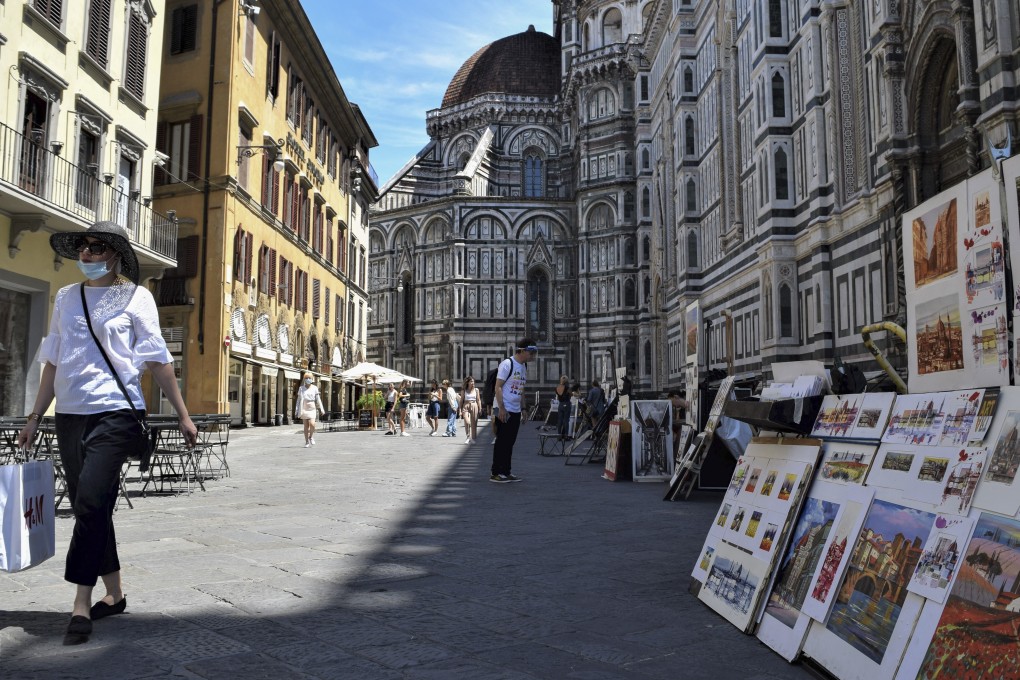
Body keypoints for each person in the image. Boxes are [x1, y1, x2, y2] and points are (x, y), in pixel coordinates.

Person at [17, 221, 198, 646]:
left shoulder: (138, 297)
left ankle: (82, 602)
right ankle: (114, 594)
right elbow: (53, 361)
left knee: (92, 500)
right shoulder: (66, 296)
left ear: (116, 254)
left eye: (98, 248)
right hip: (71, 414)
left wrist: (183, 414)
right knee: (90, 508)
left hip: (116, 412)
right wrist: (34, 416)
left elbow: (158, 360)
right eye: (83, 247)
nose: (88, 254)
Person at [490, 338, 537, 483]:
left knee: (510, 442)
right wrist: (502, 409)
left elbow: (521, 389)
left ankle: (506, 471)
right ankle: (496, 473)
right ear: (522, 350)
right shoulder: (507, 364)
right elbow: (497, 387)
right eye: (531, 352)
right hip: (503, 408)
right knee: (502, 441)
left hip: (515, 409)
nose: (533, 356)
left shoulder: (523, 367)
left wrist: (523, 408)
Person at [295, 372, 324, 447]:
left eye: (309, 378)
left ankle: (311, 436)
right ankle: (306, 442)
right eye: (306, 378)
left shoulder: (315, 388)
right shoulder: (301, 388)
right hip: (304, 408)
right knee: (306, 426)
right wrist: (297, 409)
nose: (308, 379)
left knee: (312, 424)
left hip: (312, 408)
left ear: (312, 379)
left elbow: (318, 399)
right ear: (304, 379)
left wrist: (321, 409)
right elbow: (298, 400)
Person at [461, 376, 480, 443]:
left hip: (474, 405)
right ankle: (468, 436)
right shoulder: (464, 390)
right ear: (468, 382)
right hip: (466, 405)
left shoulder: (476, 390)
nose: (473, 383)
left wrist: (480, 408)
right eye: (471, 381)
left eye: (473, 381)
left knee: (474, 423)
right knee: (467, 421)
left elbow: (478, 400)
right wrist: (460, 410)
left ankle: (472, 438)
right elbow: (461, 400)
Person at [555, 375, 572, 440]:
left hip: (561, 404)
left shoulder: (557, 388)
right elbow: (571, 394)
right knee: (566, 420)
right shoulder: (567, 388)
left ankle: (559, 435)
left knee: (560, 420)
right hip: (567, 403)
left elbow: (558, 395)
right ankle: (566, 435)